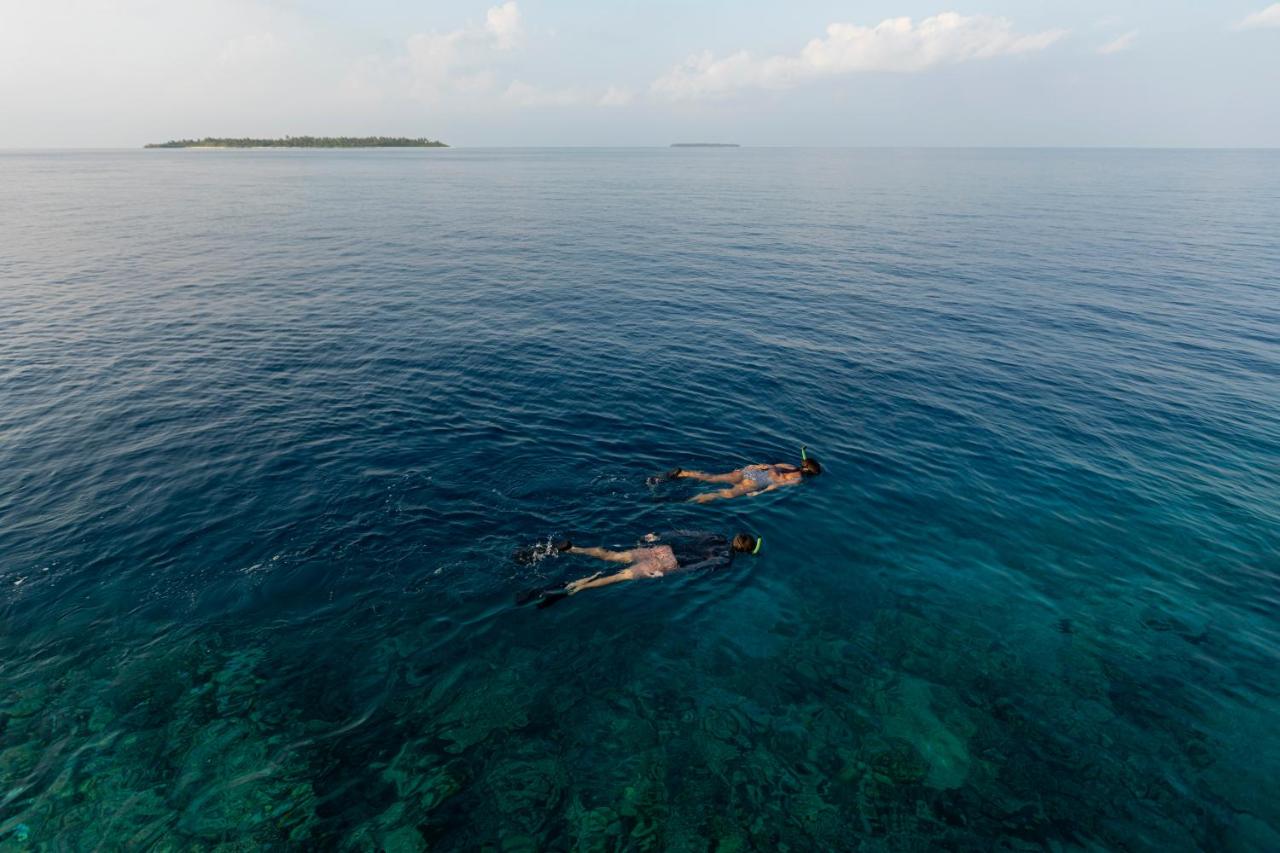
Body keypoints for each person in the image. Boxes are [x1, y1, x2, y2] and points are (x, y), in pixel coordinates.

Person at [515, 530, 760, 607]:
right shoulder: (725, 560)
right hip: (670, 564)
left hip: (663, 550)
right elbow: (699, 566)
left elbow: (685, 534)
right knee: (616, 578)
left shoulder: (716, 537)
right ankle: (570, 590)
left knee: (612, 555)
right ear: (745, 551)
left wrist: (658, 536)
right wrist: (666, 572)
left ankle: (572, 548)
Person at [652, 449, 822, 503]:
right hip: (759, 481)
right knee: (724, 494)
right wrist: (759, 493)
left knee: (713, 477)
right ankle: (685, 502)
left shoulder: (789, 465)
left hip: (751, 471)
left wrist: (750, 467)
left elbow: (768, 466)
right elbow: (776, 485)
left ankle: (683, 473)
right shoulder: (798, 479)